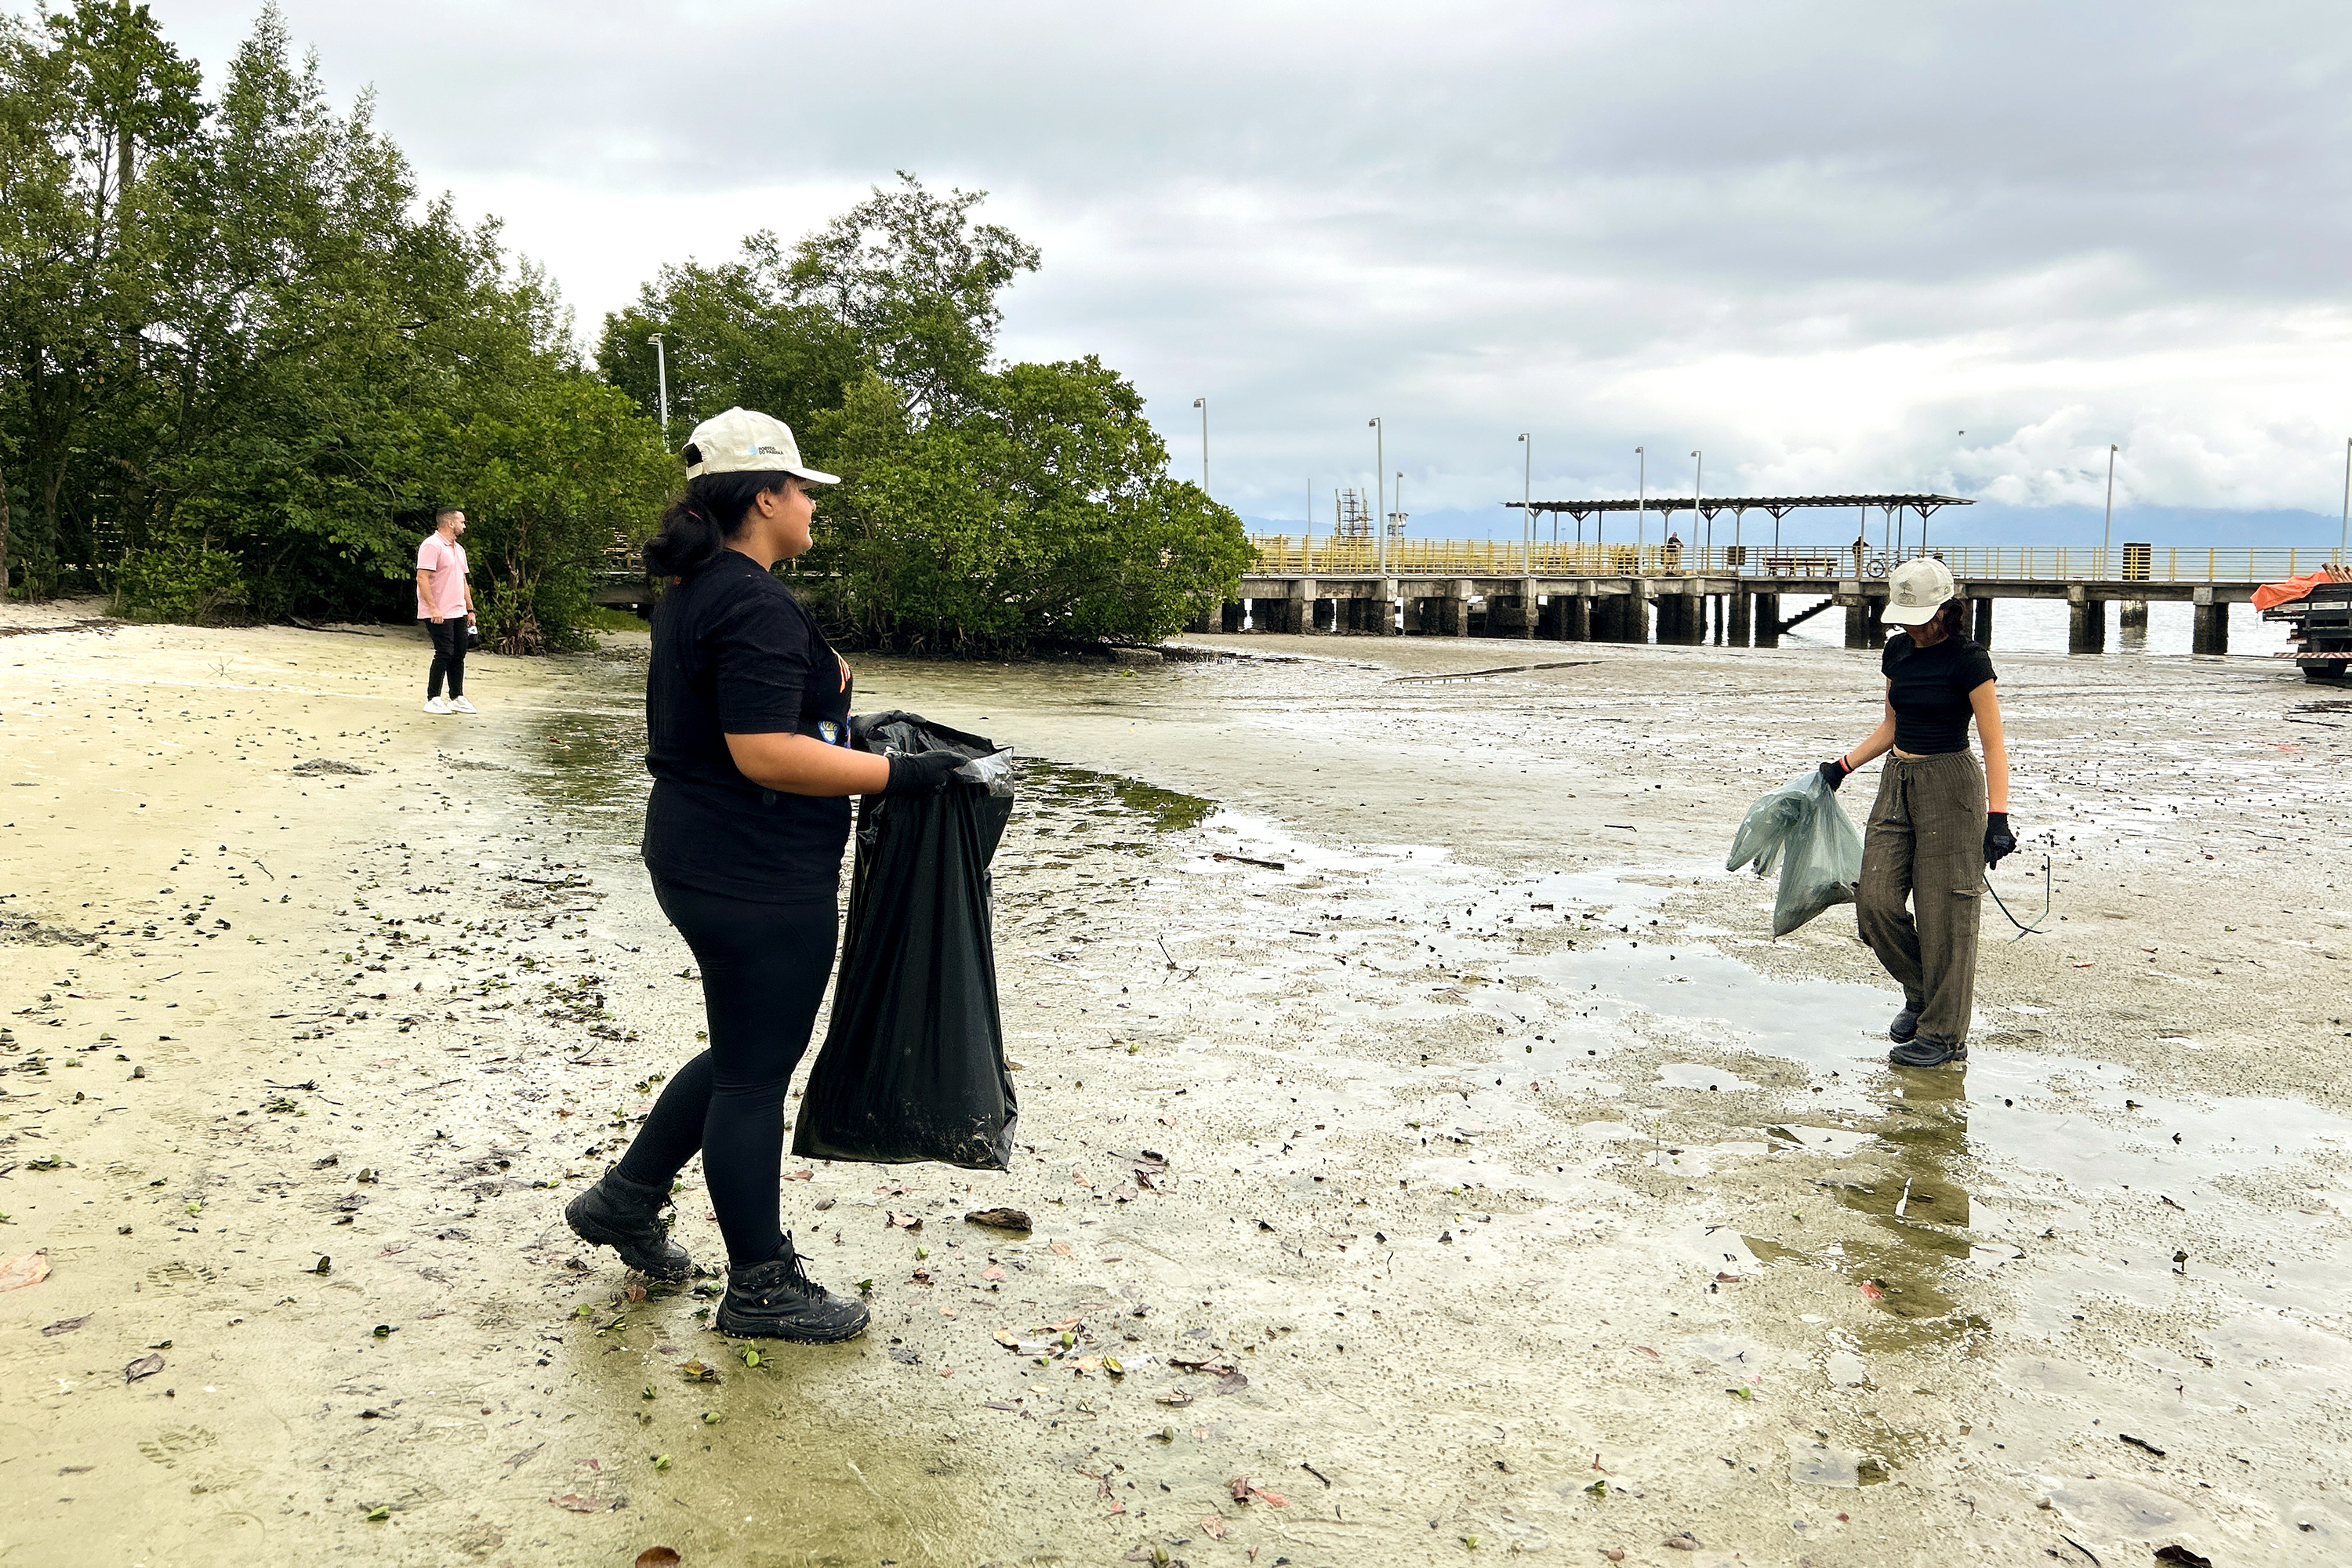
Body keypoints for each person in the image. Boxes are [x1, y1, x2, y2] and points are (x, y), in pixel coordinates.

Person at [564, 407, 966, 1342]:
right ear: (763, 498)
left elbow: (757, 726)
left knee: (745, 1051)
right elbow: (762, 753)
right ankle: (761, 1284)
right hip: (755, 871)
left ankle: (627, 1198)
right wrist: (905, 774)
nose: (813, 507)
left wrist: (853, 733)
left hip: (702, 855)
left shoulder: (702, 591)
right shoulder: (750, 600)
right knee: (754, 1074)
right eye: (803, 491)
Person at [1818, 557, 2015, 1067]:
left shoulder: (1970, 661)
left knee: (1946, 914)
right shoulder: (1897, 651)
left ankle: (1946, 1036)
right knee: (1875, 903)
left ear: (1946, 610)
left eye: (1919, 614)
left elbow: (1994, 746)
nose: (1909, 624)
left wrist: (1998, 818)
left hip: (1951, 786)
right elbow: (1891, 725)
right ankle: (1923, 990)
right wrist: (1843, 766)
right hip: (1896, 782)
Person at [416, 507, 477, 714]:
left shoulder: (459, 550)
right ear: (450, 523)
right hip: (437, 611)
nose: (464, 526)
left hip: (458, 610)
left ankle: (456, 696)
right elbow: (421, 578)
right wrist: (433, 608)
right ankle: (433, 698)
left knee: (459, 653)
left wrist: (470, 609)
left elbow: (463, 580)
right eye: (462, 522)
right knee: (444, 652)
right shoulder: (431, 545)